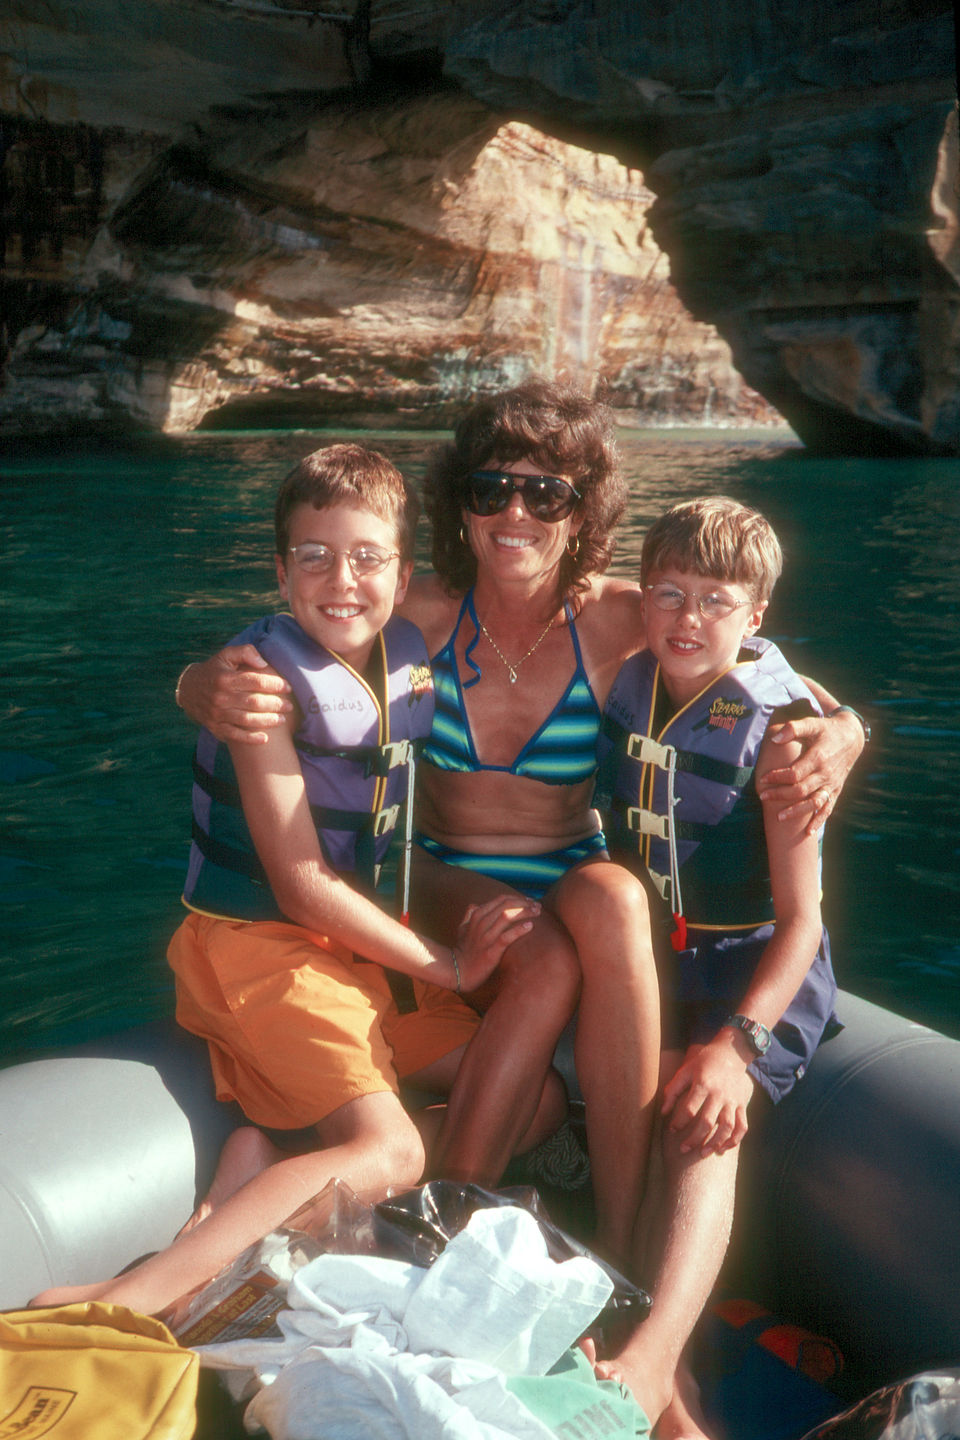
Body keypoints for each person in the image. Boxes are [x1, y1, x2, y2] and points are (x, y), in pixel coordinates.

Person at [178, 382, 866, 1435]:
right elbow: (275, 640)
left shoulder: (619, 617)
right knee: (551, 947)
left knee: (609, 900)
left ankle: (628, 1271)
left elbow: (741, 644)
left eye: (546, 495)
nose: (516, 514)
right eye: (494, 488)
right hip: (442, 872)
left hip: (569, 863)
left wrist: (845, 727)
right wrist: (195, 684)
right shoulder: (418, 613)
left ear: (581, 511)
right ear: (461, 503)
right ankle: (445, 1210)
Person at [31, 442, 549, 1319]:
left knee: (533, 1101)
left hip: (346, 957)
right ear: (279, 571)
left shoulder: (409, 645)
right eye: (314, 556)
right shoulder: (260, 684)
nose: (341, 579)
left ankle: (266, 1175)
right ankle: (121, 1301)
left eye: (366, 557)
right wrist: (448, 967)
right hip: (258, 952)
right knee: (390, 1152)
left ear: (403, 570)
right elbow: (303, 882)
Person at [585, 497, 843, 1412]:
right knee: (648, 1108)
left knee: (701, 1125)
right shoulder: (627, 680)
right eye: (669, 594)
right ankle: (663, 1362)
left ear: (756, 615)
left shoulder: (782, 731)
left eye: (715, 601)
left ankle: (657, 1360)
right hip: (662, 964)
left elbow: (803, 918)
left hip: (756, 972)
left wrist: (736, 1047)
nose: (688, 619)